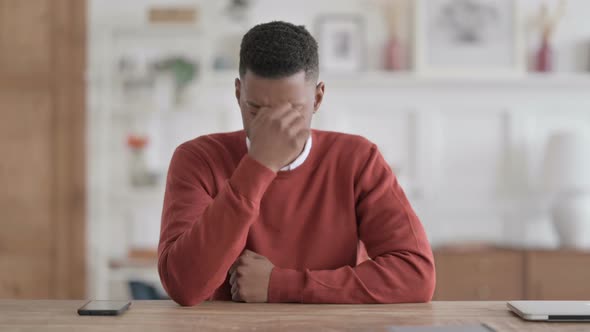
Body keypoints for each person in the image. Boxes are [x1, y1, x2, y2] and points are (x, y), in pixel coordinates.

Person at [158, 21, 435, 306]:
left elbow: (415, 276)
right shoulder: (197, 159)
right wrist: (259, 164)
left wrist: (278, 284)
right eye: (256, 109)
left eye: (291, 110)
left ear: (317, 98)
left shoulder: (357, 159)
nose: (273, 126)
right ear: (238, 93)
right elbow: (184, 286)